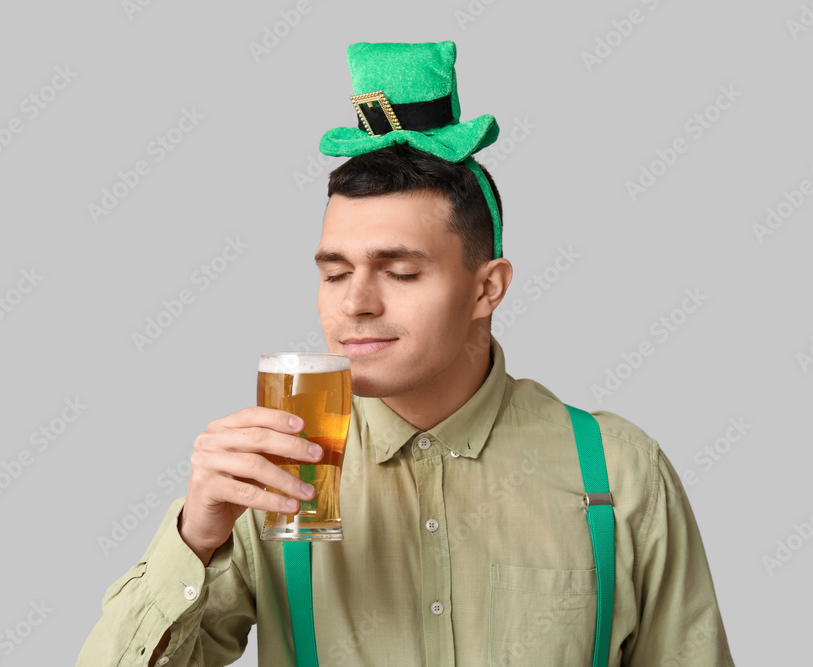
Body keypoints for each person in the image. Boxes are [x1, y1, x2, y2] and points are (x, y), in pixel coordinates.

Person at [77, 41, 735, 666]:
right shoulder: (276, 476)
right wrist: (195, 535)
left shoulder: (617, 470)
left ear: (487, 287)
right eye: (334, 272)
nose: (354, 303)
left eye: (399, 271)